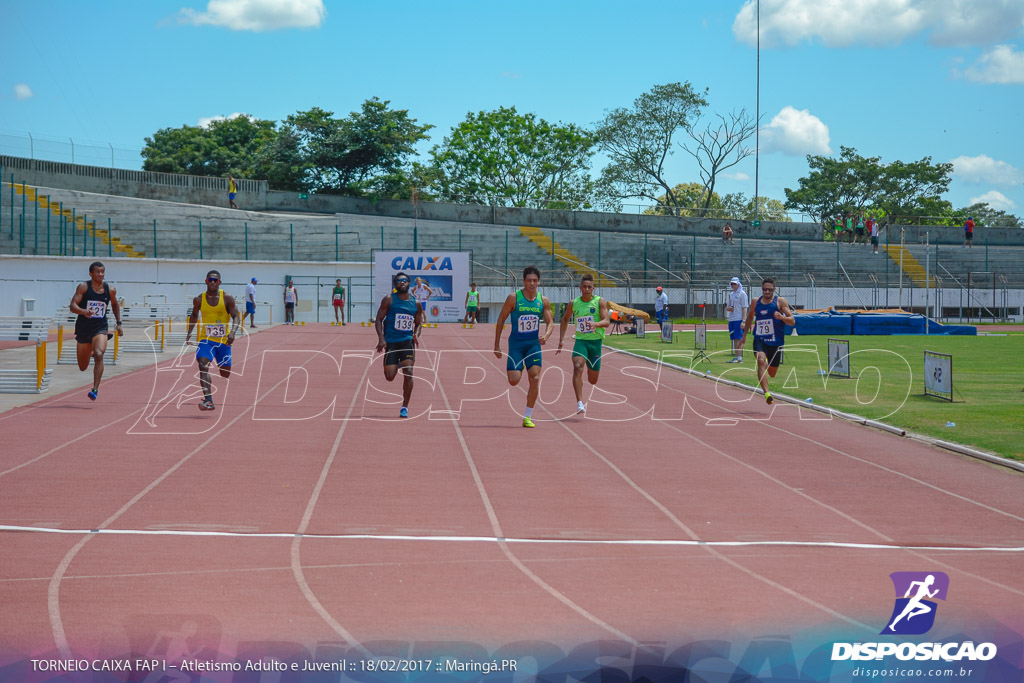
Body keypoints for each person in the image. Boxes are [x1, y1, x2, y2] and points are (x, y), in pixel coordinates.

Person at [493, 265, 553, 428]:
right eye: (528, 280)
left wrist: (546, 335)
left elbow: (550, 322)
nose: (531, 284)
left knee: (534, 378)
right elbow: (500, 320)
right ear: (524, 281)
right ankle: (521, 365)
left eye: (534, 280)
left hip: (533, 345)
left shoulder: (543, 301)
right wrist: (496, 345)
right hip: (516, 345)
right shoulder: (514, 298)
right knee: (514, 380)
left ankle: (528, 416)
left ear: (539, 282)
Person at [185, 270, 240, 412]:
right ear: (206, 281)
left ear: (220, 282)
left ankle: (223, 368)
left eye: (215, 280)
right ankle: (208, 400)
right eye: (210, 280)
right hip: (206, 340)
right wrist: (190, 332)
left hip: (224, 342)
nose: (213, 282)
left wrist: (233, 332)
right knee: (202, 364)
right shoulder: (199, 299)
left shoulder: (227, 298)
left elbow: (236, 316)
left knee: (225, 373)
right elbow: (194, 315)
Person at [556, 273, 610, 414]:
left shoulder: (600, 302)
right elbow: (565, 319)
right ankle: (579, 403)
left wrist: (596, 324)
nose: (586, 289)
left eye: (589, 287)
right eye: (584, 287)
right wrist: (561, 339)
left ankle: (590, 367)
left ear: (593, 288)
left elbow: (607, 321)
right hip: (581, 342)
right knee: (577, 365)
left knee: (592, 380)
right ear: (580, 288)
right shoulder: (574, 303)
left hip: (595, 343)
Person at [69, 261, 123, 400]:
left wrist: (119, 323)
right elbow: (72, 305)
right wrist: (83, 311)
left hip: (100, 327)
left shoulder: (110, 289)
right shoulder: (83, 287)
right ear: (91, 274)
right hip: (83, 329)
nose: (100, 274)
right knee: (82, 366)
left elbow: (115, 304)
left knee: (99, 354)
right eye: (97, 272)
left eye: (102, 272)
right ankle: (92, 350)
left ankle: (95, 389)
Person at [738, 277, 796, 405]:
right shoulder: (755, 301)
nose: (767, 292)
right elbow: (750, 317)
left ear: (774, 289)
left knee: (772, 372)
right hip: (760, 339)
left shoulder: (780, 302)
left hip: (776, 342)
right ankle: (767, 393)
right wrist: (744, 336)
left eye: (769, 290)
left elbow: (792, 320)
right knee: (760, 361)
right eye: (764, 290)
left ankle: (766, 378)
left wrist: (781, 317)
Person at [375, 272, 423, 418]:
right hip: (391, 342)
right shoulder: (389, 300)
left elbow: (419, 323)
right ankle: (398, 363)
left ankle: (404, 407)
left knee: (409, 372)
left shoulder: (416, 303)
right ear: (395, 285)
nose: (401, 283)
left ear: (409, 283)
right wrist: (381, 339)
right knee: (389, 376)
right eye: (398, 281)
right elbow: (378, 319)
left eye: (404, 281)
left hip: (407, 342)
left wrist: (416, 333)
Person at [725, 276, 748, 363]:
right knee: (734, 338)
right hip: (732, 319)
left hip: (738, 319)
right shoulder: (731, 295)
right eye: (732, 284)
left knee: (738, 338)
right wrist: (729, 308)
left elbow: (744, 308)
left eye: (734, 284)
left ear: (738, 284)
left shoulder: (742, 294)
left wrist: (743, 321)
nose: (733, 285)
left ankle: (740, 357)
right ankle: (736, 356)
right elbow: (728, 307)